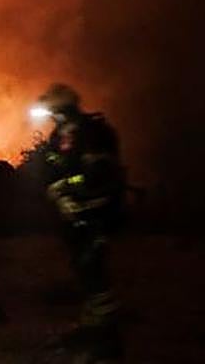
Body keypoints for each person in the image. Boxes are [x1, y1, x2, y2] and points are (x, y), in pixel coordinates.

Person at [32, 82, 126, 363]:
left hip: (96, 211)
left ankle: (107, 339)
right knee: (82, 269)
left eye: (53, 112)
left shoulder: (93, 133)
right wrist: (55, 190)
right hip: (72, 214)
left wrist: (67, 187)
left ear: (63, 110)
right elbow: (50, 170)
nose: (51, 118)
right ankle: (92, 327)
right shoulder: (58, 136)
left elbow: (98, 174)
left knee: (93, 270)